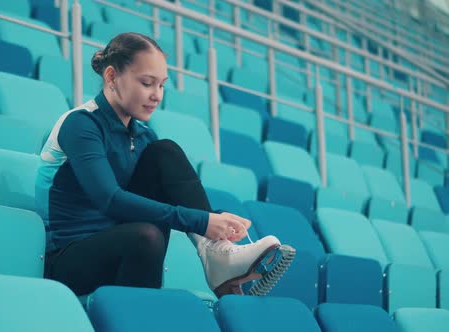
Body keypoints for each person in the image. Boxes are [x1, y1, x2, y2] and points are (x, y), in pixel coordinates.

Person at [36, 32, 295, 298]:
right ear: (111, 76)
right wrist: (202, 221)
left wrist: (218, 223)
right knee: (145, 237)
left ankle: (216, 253)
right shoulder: (81, 124)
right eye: (147, 83)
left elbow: (175, 200)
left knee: (165, 151)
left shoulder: (144, 135)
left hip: (124, 238)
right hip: (68, 256)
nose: (156, 95)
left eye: (161, 85)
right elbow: (109, 199)